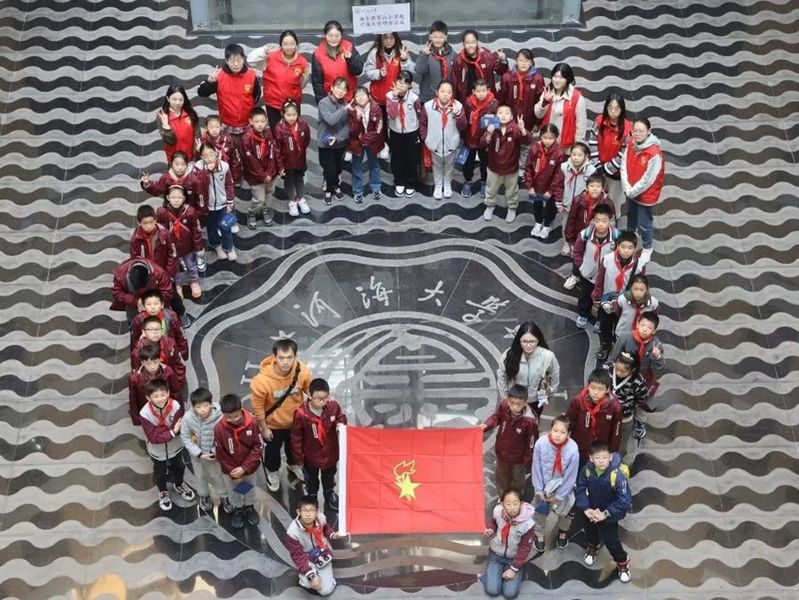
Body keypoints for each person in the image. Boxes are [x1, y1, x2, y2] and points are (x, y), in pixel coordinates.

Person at [250, 338, 312, 492]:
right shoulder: (261, 381)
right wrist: (264, 428)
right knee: (272, 454)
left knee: (294, 449)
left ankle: (293, 465)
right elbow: (258, 408)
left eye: (289, 358)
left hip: (296, 422)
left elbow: (308, 390)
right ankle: (272, 472)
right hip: (273, 425)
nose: (285, 362)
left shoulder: (303, 371)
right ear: (274, 357)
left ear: (295, 356)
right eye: (281, 358)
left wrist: (320, 397)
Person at [197, 43, 260, 184]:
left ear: (244, 59)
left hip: (247, 124)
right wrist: (209, 82)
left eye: (238, 60)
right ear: (226, 61)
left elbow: (256, 96)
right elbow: (202, 92)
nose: (235, 64)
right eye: (232, 60)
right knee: (229, 154)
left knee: (248, 152)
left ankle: (251, 175)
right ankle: (232, 179)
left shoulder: (252, 75)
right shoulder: (218, 76)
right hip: (227, 124)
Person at [574, 441, 632, 583]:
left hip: (608, 516)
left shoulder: (617, 475)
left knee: (611, 541)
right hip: (590, 512)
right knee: (590, 532)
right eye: (597, 458)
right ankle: (593, 546)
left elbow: (624, 500)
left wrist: (605, 514)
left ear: (610, 457)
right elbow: (580, 488)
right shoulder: (587, 470)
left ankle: (622, 562)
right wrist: (586, 508)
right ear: (591, 458)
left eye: (605, 457)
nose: (601, 461)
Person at [290, 378, 347, 511]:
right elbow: (296, 438)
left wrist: (340, 423)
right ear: (310, 396)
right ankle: (312, 496)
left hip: (330, 453)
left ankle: (329, 493)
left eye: (325, 398)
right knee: (311, 479)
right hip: (311, 456)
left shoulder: (333, 406)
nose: (322, 402)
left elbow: (341, 417)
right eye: (318, 399)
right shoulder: (301, 414)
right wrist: (299, 458)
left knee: (329, 477)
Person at [138, 378, 195, 511]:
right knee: (160, 473)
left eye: (162, 395)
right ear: (148, 397)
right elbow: (153, 437)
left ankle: (179, 484)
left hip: (176, 447)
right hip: (157, 451)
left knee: (179, 466)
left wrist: (162, 432)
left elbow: (179, 427)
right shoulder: (145, 414)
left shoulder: (175, 406)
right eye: (155, 396)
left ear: (168, 393)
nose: (160, 399)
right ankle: (163, 492)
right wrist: (172, 432)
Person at [609, 311, 665, 438]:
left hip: (644, 377)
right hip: (624, 374)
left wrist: (657, 357)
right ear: (637, 324)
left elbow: (660, 367)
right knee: (621, 396)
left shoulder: (656, 345)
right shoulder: (625, 338)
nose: (645, 329)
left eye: (649, 327)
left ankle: (640, 421)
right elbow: (614, 356)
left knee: (642, 399)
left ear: (654, 331)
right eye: (643, 325)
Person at [592, 231, 643, 360]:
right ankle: (605, 344)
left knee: (623, 326)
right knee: (605, 324)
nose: (626, 251)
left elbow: (640, 285)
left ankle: (619, 346)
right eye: (623, 247)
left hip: (626, 301)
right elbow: (600, 279)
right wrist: (597, 297)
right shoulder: (608, 259)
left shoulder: (639, 265)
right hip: (607, 300)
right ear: (617, 246)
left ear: (635, 249)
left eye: (630, 248)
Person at [531, 414, 579, 551]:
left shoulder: (573, 450)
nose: (558, 435)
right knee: (539, 512)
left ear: (568, 434)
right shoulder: (541, 443)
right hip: (543, 488)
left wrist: (559, 495)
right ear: (550, 429)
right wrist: (539, 490)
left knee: (566, 513)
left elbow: (570, 476)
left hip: (562, 489)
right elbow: (536, 467)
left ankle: (563, 531)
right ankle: (539, 534)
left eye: (562, 432)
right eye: (555, 430)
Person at [214, 393, 262, 528]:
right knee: (234, 491)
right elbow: (221, 453)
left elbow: (258, 446)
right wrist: (233, 473)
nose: (233, 420)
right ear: (223, 413)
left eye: (236, 416)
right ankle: (238, 508)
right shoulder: (219, 429)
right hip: (231, 471)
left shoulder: (252, 423)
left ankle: (249, 506)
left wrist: (244, 468)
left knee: (249, 488)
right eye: (228, 417)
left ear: (241, 409)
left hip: (249, 468)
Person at [480, 384, 538, 497]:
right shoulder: (504, 406)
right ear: (507, 400)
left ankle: (516, 498)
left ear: (525, 403)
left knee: (518, 480)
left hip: (518, 460)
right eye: (511, 403)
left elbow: (531, 444)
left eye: (518, 404)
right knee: (501, 478)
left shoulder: (530, 421)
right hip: (501, 454)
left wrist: (526, 462)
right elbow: (496, 417)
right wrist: (487, 425)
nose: (514, 407)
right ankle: (503, 497)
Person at [181, 387, 232, 514]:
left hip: (215, 456)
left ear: (211, 403)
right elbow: (185, 437)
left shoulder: (220, 415)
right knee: (200, 477)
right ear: (193, 407)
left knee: (218, 477)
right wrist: (199, 454)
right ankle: (204, 496)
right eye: (198, 407)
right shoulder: (188, 418)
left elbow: (226, 434)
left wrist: (216, 450)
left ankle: (224, 496)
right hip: (198, 456)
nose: (202, 409)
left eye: (205, 405)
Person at [621, 118, 665, 263]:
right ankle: (630, 238)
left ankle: (647, 247)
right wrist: (626, 185)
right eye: (635, 131)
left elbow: (648, 180)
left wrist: (631, 191)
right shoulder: (631, 143)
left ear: (648, 132)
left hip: (645, 195)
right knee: (631, 216)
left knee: (645, 223)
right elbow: (624, 164)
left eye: (641, 131)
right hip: (630, 189)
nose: (637, 134)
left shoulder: (654, 153)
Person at [568, 204, 619, 329]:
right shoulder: (585, 234)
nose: (600, 224)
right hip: (588, 274)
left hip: (606, 276)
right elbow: (577, 251)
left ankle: (600, 319)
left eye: (604, 221)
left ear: (610, 220)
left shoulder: (616, 236)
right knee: (585, 295)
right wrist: (581, 266)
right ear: (593, 220)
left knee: (604, 299)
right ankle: (583, 314)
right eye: (597, 220)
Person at [246, 30, 310, 129]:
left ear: (296, 44)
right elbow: (250, 61)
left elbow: (303, 82)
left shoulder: (302, 62)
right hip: (273, 104)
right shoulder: (270, 57)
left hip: (292, 106)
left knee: (293, 133)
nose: (289, 47)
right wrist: (263, 51)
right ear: (280, 45)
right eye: (285, 44)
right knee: (276, 133)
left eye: (292, 44)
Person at [497, 48, 545, 176]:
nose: (523, 64)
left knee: (526, 143)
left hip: (529, 118)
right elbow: (501, 98)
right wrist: (499, 117)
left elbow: (541, 103)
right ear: (516, 61)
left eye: (526, 61)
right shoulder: (507, 77)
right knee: (510, 141)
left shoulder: (538, 78)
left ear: (532, 62)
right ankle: (509, 164)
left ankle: (522, 167)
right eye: (520, 60)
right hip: (510, 117)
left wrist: (538, 122)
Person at [497, 322, 560, 417]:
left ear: (538, 340)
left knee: (532, 422)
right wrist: (505, 399)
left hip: (535, 400)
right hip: (514, 400)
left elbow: (554, 374)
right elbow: (502, 377)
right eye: (524, 341)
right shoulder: (509, 355)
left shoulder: (548, 356)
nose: (528, 345)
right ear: (519, 340)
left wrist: (549, 394)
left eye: (532, 341)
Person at [481, 488, 534, 599]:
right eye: (508, 504)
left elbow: (524, 548)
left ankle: (516, 570)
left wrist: (514, 569)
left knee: (510, 594)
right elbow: (494, 523)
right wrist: (490, 529)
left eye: (515, 503)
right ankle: (494, 573)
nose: (512, 507)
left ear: (521, 503)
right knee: (492, 591)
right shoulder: (498, 511)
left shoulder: (528, 524)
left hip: (514, 558)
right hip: (496, 555)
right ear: (502, 504)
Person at [363, 32, 414, 146]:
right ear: (381, 39)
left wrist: (405, 60)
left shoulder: (401, 51)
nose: (389, 41)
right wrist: (378, 73)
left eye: (391, 38)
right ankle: (382, 148)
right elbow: (367, 71)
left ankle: (395, 148)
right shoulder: (374, 52)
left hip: (397, 97)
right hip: (378, 98)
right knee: (381, 125)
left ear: (396, 38)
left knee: (397, 124)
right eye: (385, 38)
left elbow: (411, 71)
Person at [481, 107, 530, 223]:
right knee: (491, 188)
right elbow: (482, 143)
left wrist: (523, 130)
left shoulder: (516, 128)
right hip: (494, 166)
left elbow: (527, 141)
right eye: (500, 113)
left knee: (512, 190)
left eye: (507, 113)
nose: (503, 115)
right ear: (496, 115)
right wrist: (489, 134)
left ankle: (512, 207)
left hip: (511, 167)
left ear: (512, 116)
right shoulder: (492, 127)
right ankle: (490, 205)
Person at [587, 93, 632, 221]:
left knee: (613, 199)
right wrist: (597, 165)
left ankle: (612, 221)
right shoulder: (599, 121)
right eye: (610, 108)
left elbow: (624, 154)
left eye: (617, 108)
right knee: (597, 196)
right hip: (598, 168)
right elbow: (593, 142)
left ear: (622, 109)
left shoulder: (627, 129)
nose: (613, 111)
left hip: (615, 173)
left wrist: (606, 168)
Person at [285, 495, 341, 596]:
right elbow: (298, 556)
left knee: (326, 591)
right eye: (305, 510)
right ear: (298, 512)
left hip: (322, 552)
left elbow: (325, 528)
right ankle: (307, 575)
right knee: (308, 582)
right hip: (306, 558)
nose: (308, 514)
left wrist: (332, 535)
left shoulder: (320, 518)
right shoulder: (292, 533)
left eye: (311, 510)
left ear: (317, 512)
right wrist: (311, 575)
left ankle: (324, 575)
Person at [156, 185, 204, 300]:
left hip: (187, 247)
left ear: (184, 198)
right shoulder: (162, 213)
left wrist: (198, 247)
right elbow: (160, 229)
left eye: (179, 197)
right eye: (173, 197)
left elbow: (196, 231)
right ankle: (177, 284)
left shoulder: (190, 212)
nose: (176, 200)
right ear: (168, 197)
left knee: (191, 265)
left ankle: (193, 281)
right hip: (172, 248)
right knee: (174, 268)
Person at [420, 80, 466, 200]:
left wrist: (458, 114)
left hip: (451, 143)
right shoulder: (428, 106)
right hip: (434, 143)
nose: (446, 94)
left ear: (452, 94)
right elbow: (423, 123)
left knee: (449, 165)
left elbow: (463, 126)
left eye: (449, 92)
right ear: (437, 92)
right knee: (436, 166)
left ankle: (447, 183)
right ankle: (438, 184)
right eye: (443, 91)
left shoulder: (458, 106)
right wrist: (426, 138)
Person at [565, 369, 622, 463]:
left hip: (600, 452)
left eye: (600, 389)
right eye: (593, 387)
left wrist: (612, 452)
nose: (595, 392)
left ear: (607, 389)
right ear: (588, 386)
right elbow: (568, 423)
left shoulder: (615, 406)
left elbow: (616, 434)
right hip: (579, 447)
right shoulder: (578, 401)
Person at [241, 107, 282, 229]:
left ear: (267, 121)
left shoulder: (268, 133)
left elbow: (272, 153)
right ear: (251, 121)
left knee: (269, 192)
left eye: (263, 121)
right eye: (257, 121)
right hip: (256, 176)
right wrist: (263, 175)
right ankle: (252, 212)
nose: (260, 124)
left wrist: (271, 172)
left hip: (271, 174)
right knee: (259, 198)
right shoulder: (246, 139)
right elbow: (251, 161)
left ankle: (265, 210)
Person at [195, 141, 236, 261]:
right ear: (201, 156)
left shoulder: (224, 166)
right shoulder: (198, 167)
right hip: (207, 206)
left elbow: (229, 184)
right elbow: (198, 184)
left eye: (211, 154)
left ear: (216, 153)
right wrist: (207, 171)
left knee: (225, 227)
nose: (209, 158)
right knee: (211, 228)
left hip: (222, 204)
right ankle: (216, 245)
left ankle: (229, 247)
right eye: (205, 156)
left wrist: (230, 200)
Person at [140, 151, 207, 224]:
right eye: (177, 164)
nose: (180, 168)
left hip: (188, 214)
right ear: (171, 164)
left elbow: (201, 197)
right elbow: (158, 189)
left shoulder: (194, 178)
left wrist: (198, 215)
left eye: (183, 164)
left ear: (187, 164)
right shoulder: (166, 178)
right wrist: (148, 184)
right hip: (170, 212)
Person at [603, 351, 649, 457]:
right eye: (617, 369)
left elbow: (641, 397)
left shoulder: (638, 382)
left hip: (625, 417)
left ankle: (619, 457)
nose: (618, 373)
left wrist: (629, 406)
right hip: (605, 412)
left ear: (632, 370)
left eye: (623, 371)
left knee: (622, 440)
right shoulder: (607, 368)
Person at [534, 62, 586, 152]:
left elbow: (581, 126)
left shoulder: (577, 97)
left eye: (561, 77)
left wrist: (577, 148)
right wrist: (545, 102)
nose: (557, 80)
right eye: (555, 76)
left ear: (568, 79)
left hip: (566, 147)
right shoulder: (548, 92)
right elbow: (538, 115)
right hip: (547, 143)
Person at [385, 70, 421, 198]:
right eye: (399, 81)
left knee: (411, 158)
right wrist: (394, 98)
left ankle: (411, 182)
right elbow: (392, 115)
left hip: (411, 132)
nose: (401, 84)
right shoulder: (389, 96)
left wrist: (419, 132)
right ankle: (399, 181)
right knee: (397, 157)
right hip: (395, 131)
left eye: (405, 82)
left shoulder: (414, 98)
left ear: (410, 85)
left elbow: (419, 114)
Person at [524, 124, 565, 239]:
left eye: (551, 138)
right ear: (540, 136)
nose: (547, 141)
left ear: (556, 137)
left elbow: (558, 175)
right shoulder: (535, 148)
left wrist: (551, 190)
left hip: (551, 186)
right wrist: (529, 186)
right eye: (545, 137)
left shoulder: (559, 153)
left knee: (551, 207)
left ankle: (547, 225)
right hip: (536, 185)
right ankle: (538, 222)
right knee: (537, 204)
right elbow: (528, 167)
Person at [273, 100, 312, 217]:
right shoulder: (279, 128)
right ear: (283, 114)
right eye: (288, 115)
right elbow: (277, 149)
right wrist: (280, 166)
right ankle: (292, 201)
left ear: (298, 113)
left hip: (300, 160)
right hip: (287, 162)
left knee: (299, 179)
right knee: (289, 181)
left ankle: (301, 198)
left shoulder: (303, 125)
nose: (291, 118)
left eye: (294, 115)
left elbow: (307, 140)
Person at [461, 78, 498, 199]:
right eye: (478, 91)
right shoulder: (468, 102)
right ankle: (468, 181)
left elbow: (496, 123)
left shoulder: (493, 104)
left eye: (483, 91)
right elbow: (464, 119)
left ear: (488, 90)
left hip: (485, 139)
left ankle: (484, 182)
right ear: (473, 91)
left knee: (485, 162)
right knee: (468, 162)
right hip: (470, 138)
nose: (481, 94)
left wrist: (491, 134)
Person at [563, 173, 615, 258]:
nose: (595, 189)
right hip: (580, 233)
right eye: (592, 186)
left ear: (602, 188)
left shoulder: (607, 203)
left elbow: (611, 223)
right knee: (578, 255)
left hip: (597, 236)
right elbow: (571, 219)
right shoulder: (578, 200)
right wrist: (569, 237)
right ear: (587, 187)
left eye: (598, 186)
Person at [128, 343, 182, 425]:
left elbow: (176, 391)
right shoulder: (135, 379)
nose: (152, 366)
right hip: (148, 409)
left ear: (159, 360)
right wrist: (137, 420)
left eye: (155, 362)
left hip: (166, 406)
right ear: (142, 362)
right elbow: (133, 399)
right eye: (148, 363)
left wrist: (179, 411)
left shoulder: (168, 372)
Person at [311, 20, 363, 104]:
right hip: (330, 98)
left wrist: (350, 60)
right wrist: (322, 103)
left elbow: (358, 71)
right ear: (325, 35)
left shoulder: (348, 47)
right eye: (330, 35)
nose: (334, 39)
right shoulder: (318, 54)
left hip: (349, 96)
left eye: (337, 35)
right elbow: (317, 83)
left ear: (342, 35)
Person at [347, 86, 384, 203]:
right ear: (354, 99)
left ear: (368, 96)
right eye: (357, 95)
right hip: (356, 143)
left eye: (363, 94)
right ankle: (357, 191)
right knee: (357, 167)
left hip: (372, 142)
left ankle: (376, 187)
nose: (360, 97)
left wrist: (363, 139)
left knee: (374, 165)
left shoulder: (376, 108)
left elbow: (378, 130)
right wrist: (357, 118)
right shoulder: (351, 111)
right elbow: (352, 131)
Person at [129, 290, 188, 362]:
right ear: (143, 306)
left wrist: (183, 353)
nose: (153, 307)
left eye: (156, 303)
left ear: (162, 304)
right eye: (149, 304)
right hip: (149, 355)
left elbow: (180, 335)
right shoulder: (138, 320)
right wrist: (136, 358)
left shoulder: (171, 316)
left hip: (168, 350)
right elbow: (134, 340)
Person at [317, 77, 350, 205]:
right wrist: (344, 109)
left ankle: (335, 186)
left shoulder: (345, 103)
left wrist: (338, 137)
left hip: (339, 143)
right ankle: (328, 190)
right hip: (325, 144)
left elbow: (348, 125)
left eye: (344, 89)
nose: (341, 91)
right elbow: (330, 120)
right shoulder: (323, 103)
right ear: (331, 87)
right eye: (338, 87)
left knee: (338, 168)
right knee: (329, 169)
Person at [130, 315, 186, 389]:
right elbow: (137, 374)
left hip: (170, 380)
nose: (155, 333)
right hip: (150, 387)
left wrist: (178, 383)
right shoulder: (137, 353)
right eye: (151, 330)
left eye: (157, 329)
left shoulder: (170, 343)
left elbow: (178, 364)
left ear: (162, 331)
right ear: (144, 332)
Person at [110, 256, 172, 323]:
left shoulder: (159, 273)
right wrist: (135, 301)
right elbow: (117, 293)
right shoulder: (120, 274)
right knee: (134, 324)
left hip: (155, 307)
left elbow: (167, 292)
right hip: (133, 307)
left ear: (149, 275)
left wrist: (151, 301)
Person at [451, 29, 508, 101]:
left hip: (486, 98)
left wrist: (503, 60)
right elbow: (455, 83)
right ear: (463, 44)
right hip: (468, 100)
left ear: (477, 42)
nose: (470, 45)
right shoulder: (458, 61)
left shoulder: (487, 56)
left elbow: (500, 71)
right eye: (467, 43)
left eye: (473, 42)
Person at [129, 204, 178, 282]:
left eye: (151, 222)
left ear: (156, 220)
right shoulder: (135, 239)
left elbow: (172, 254)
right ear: (139, 223)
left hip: (164, 272)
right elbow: (135, 259)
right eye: (145, 223)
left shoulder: (165, 234)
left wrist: (168, 274)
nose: (149, 226)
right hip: (147, 274)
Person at [155, 84, 200, 164]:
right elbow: (170, 141)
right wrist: (166, 126)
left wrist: (197, 152)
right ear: (168, 98)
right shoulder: (163, 116)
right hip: (175, 160)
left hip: (191, 157)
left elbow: (197, 135)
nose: (178, 102)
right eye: (174, 99)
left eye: (181, 100)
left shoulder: (190, 113)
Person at [415, 20, 455, 104]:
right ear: (430, 36)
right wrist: (424, 55)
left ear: (446, 37)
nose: (438, 40)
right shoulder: (425, 53)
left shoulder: (452, 55)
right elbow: (419, 71)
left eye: (441, 37)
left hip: (447, 98)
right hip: (428, 98)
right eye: (435, 37)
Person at [199, 115, 242, 189]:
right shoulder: (203, 142)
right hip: (211, 175)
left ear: (221, 127)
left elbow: (235, 160)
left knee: (228, 191)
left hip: (226, 173)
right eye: (211, 127)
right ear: (206, 128)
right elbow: (200, 163)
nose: (214, 130)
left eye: (217, 127)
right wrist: (198, 151)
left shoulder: (228, 140)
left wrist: (236, 178)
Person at [615, 274, 659, 339]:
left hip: (643, 336)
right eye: (635, 289)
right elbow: (618, 313)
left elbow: (653, 319)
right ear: (631, 287)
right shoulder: (622, 299)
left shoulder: (653, 303)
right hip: (623, 334)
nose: (638, 293)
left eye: (642, 290)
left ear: (647, 289)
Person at [558, 141, 595, 218]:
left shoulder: (591, 171)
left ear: (586, 156)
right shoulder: (563, 167)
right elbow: (558, 186)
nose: (576, 158)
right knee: (565, 224)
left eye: (580, 155)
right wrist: (559, 203)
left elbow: (593, 190)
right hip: (566, 206)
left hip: (583, 207)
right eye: (574, 154)